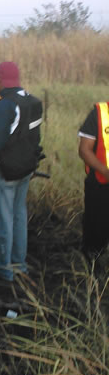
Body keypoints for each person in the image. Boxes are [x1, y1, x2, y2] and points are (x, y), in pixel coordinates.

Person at [0, 61, 43, 284]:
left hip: (5, 171)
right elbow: (36, 139)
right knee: (18, 215)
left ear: (0, 79)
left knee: (2, 219)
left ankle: (3, 267)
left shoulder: (7, 104)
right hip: (26, 168)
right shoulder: (33, 101)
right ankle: (19, 263)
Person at [77, 101, 109, 258]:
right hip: (100, 183)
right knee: (96, 235)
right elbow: (84, 150)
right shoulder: (100, 113)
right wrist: (105, 171)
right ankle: (92, 269)